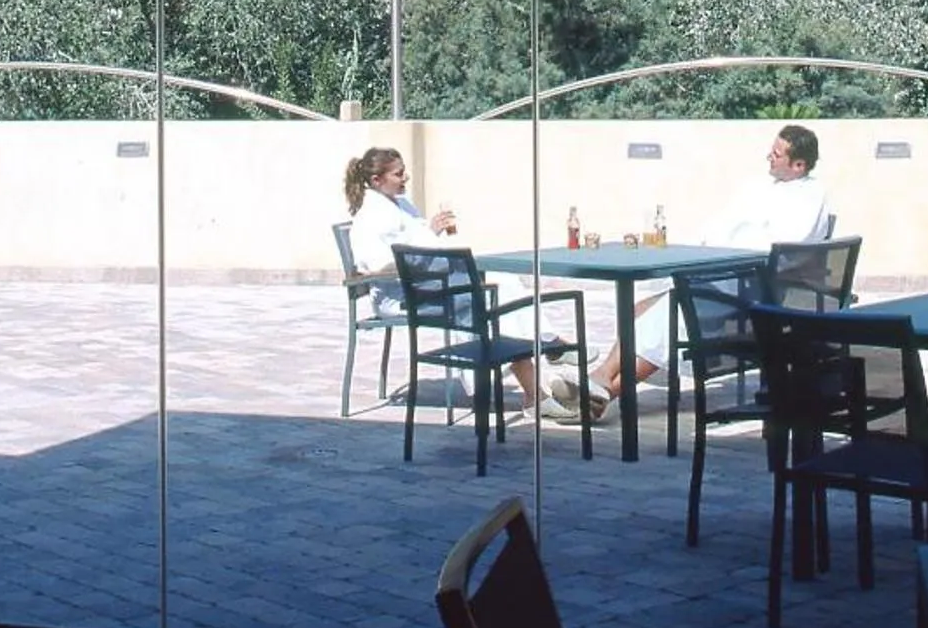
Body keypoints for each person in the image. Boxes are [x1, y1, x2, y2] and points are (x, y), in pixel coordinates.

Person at [551, 124, 831, 418]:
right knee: (640, 311)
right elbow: (721, 226)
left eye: (776, 154)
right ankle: (601, 389)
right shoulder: (762, 188)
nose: (768, 158)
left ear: (799, 164)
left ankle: (600, 384)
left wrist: (727, 248)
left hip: (756, 293)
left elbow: (780, 248)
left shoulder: (811, 197)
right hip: (724, 279)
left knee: (666, 320)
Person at [341, 146, 550, 410]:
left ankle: (543, 347)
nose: (405, 178)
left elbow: (417, 241)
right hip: (404, 295)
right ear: (376, 181)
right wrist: (429, 238)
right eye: (398, 174)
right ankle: (537, 372)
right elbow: (378, 264)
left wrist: (430, 231)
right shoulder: (370, 216)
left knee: (500, 281)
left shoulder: (400, 204)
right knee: (486, 294)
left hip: (427, 282)